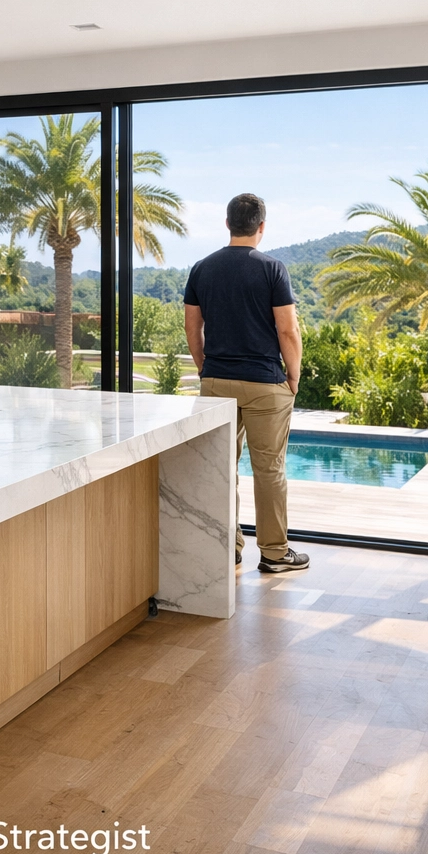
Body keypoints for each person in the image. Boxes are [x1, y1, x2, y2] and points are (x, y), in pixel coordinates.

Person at [183, 193, 309, 574]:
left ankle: (227, 546)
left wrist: (206, 367)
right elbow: (287, 330)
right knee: (268, 469)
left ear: (227, 224)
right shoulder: (273, 269)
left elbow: (192, 326)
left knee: (223, 467)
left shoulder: (202, 268)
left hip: (217, 383)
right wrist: (293, 376)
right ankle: (274, 553)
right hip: (265, 385)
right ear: (261, 227)